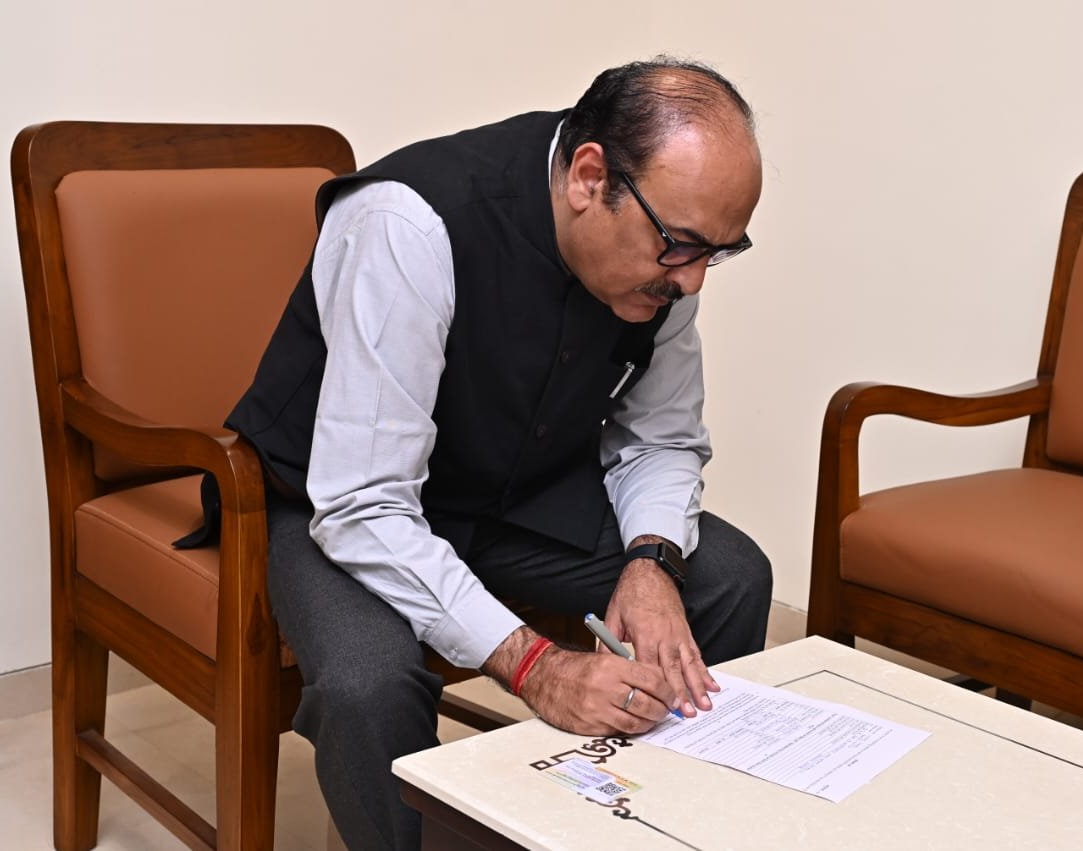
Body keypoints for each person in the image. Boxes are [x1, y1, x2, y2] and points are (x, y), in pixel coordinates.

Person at [223, 57, 770, 850]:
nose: (692, 284)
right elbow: (365, 503)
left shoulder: (665, 268)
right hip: (335, 503)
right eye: (680, 246)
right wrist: (536, 665)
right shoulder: (409, 225)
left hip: (514, 494)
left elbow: (660, 436)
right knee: (366, 685)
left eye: (716, 252)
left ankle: (656, 826)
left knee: (728, 573)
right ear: (589, 178)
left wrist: (651, 562)